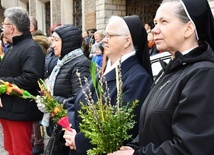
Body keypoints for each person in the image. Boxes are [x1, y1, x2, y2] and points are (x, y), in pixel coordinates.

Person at [107, 0, 214, 154]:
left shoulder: (204, 74)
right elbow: (152, 128)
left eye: (164, 22)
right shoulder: (171, 69)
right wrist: (132, 146)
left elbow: (192, 147)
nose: (154, 30)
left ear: (188, 28)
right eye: (155, 23)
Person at [63, 15, 153, 155]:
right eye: (105, 35)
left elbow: (122, 128)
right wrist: (71, 130)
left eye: (110, 35)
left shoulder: (138, 78)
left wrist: (78, 140)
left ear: (127, 41)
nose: (104, 40)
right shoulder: (105, 69)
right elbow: (76, 101)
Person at [36, 24, 91, 155]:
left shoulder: (80, 65)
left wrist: (50, 101)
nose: (52, 45)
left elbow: (80, 101)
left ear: (67, 42)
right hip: (61, 126)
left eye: (56, 40)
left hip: (70, 129)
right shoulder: (63, 63)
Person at [0, 7, 45, 155]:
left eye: (4, 24)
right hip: (8, 110)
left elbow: (31, 78)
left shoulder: (31, 48)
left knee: (20, 151)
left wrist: (2, 83)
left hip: (20, 112)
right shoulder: (15, 46)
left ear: (12, 28)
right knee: (10, 149)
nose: (3, 27)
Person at [29, 16, 50, 155]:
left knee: (36, 113)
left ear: (31, 27)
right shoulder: (31, 41)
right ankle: (34, 139)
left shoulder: (38, 42)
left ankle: (38, 142)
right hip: (36, 80)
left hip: (38, 81)